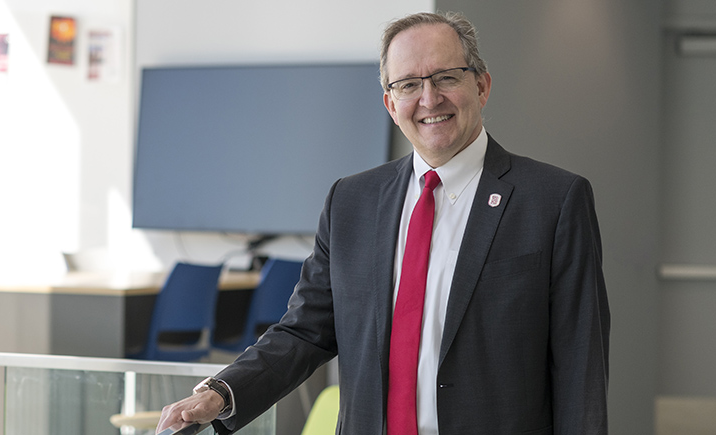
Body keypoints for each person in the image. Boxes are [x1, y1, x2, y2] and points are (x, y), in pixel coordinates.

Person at [157, 11, 609, 435]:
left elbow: (580, 362)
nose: (429, 99)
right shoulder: (350, 200)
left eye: (446, 78)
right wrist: (219, 394)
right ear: (391, 103)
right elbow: (305, 329)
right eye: (409, 84)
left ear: (482, 86)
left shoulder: (553, 199)